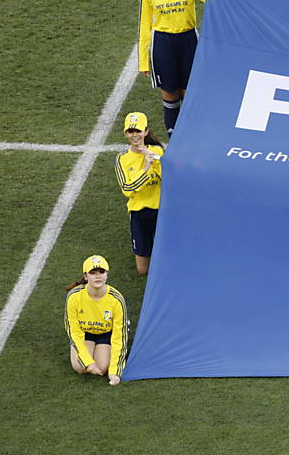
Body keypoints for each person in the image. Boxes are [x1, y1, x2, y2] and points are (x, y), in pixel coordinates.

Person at [138, 0, 208, 137]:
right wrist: (144, 61)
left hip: (188, 40)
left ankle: (195, 136)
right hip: (163, 43)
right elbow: (144, 24)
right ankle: (174, 138)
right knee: (170, 93)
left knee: (191, 92)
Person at [64, 256, 129, 386]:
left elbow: (119, 337)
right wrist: (88, 362)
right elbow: (74, 332)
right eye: (93, 273)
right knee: (80, 367)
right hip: (85, 334)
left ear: (107, 275)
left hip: (106, 334)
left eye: (101, 272)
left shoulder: (116, 300)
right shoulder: (74, 296)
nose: (97, 276)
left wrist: (115, 372)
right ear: (86, 276)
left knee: (102, 367)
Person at [115, 112, 164, 275]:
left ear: (146, 131)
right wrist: (146, 169)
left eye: (138, 130)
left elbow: (166, 178)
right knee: (143, 270)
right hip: (138, 213)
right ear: (125, 134)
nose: (134, 135)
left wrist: (154, 162)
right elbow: (127, 190)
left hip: (160, 210)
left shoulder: (157, 150)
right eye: (130, 131)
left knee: (165, 257)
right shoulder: (122, 158)